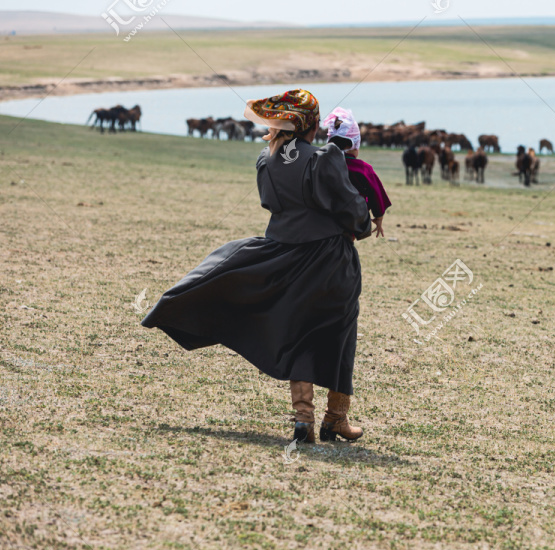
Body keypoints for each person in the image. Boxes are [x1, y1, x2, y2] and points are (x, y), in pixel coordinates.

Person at [141, 89, 372, 444]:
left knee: (300, 334)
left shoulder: (266, 160)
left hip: (283, 255)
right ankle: (335, 419)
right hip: (329, 260)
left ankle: (303, 420)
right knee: (340, 334)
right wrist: (364, 221)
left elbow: (273, 204)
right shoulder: (325, 158)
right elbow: (352, 210)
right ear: (310, 124)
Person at [321, 107, 391, 237]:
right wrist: (378, 216)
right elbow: (376, 192)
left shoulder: (321, 164)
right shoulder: (363, 169)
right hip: (351, 222)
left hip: (323, 221)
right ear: (353, 144)